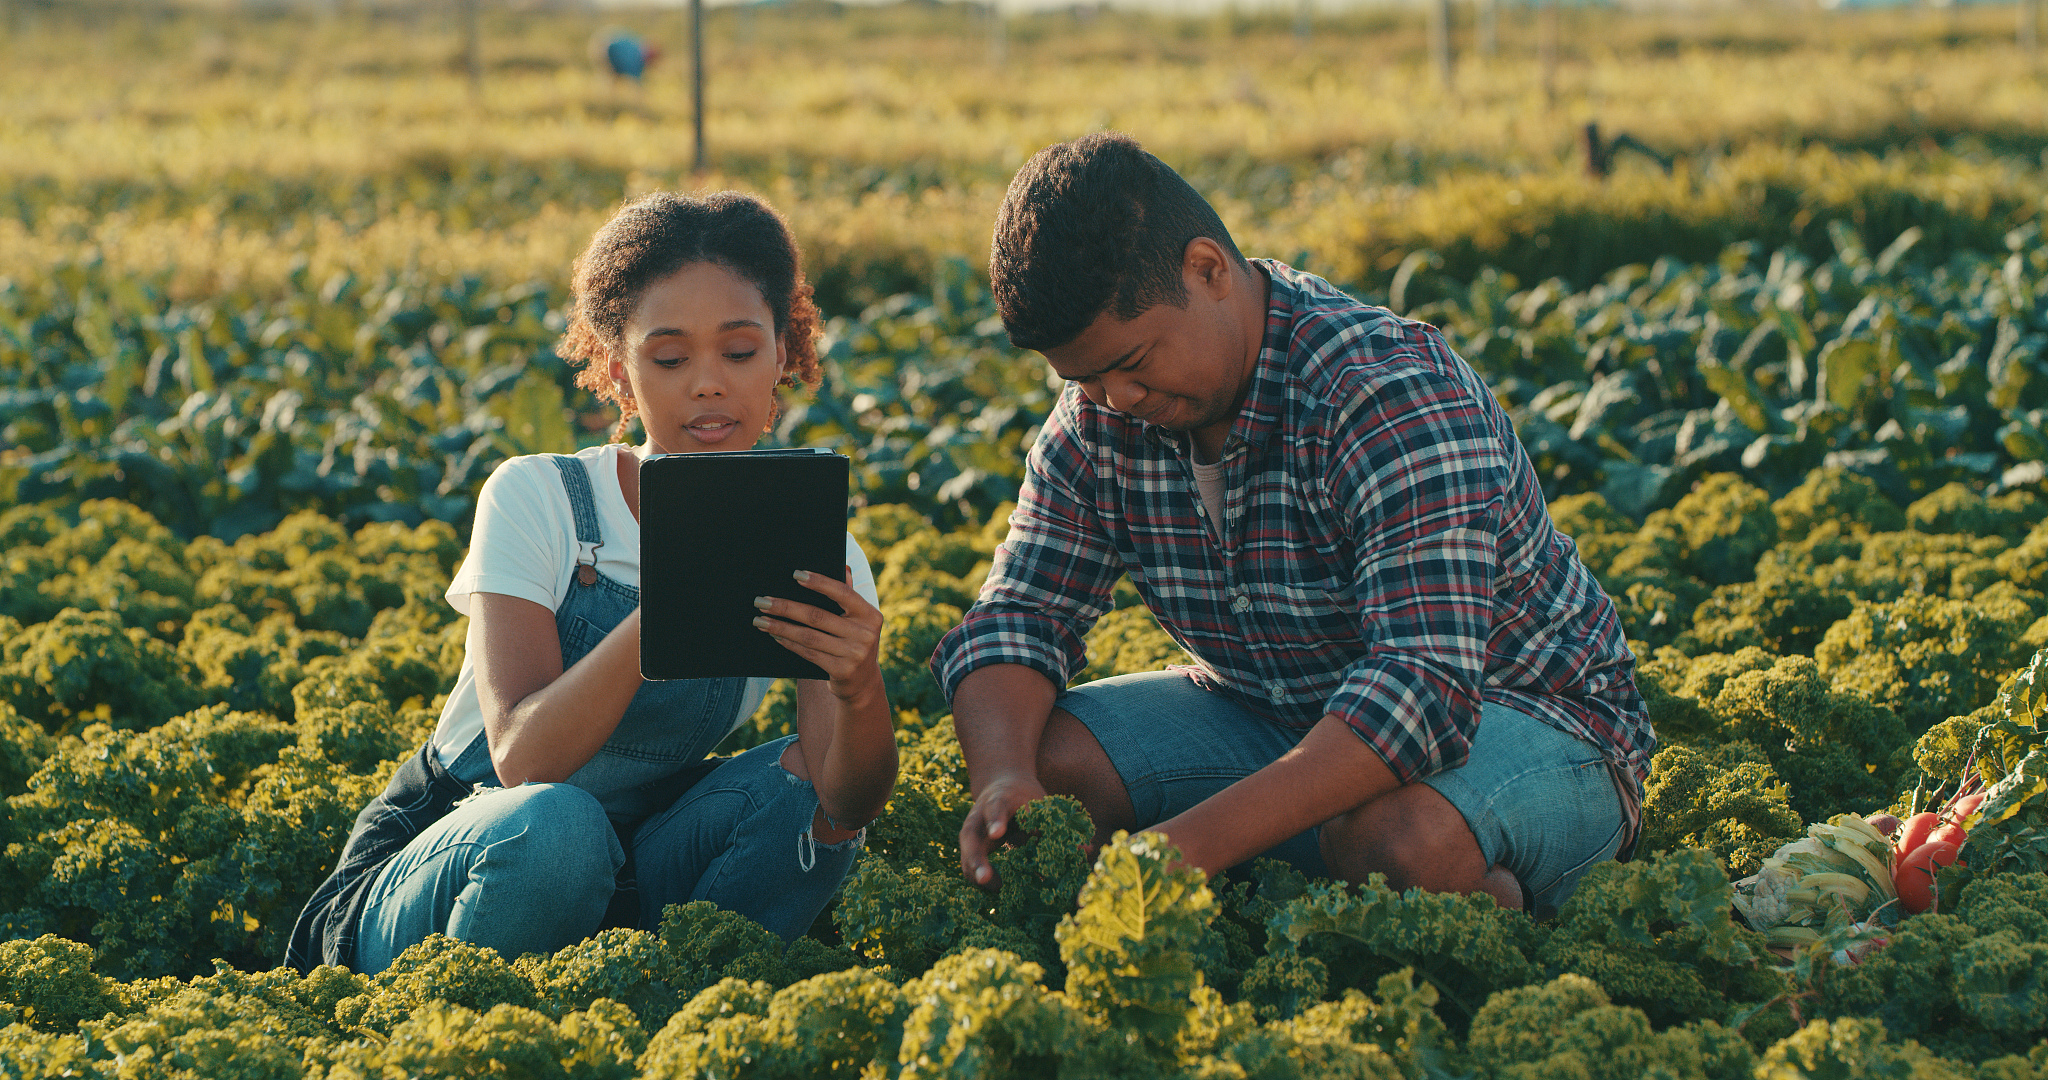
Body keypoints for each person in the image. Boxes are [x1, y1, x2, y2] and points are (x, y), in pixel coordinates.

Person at [931, 133, 1655, 919]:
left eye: (1133, 363)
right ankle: (1328, 881)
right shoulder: (1099, 418)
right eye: (1084, 377)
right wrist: (1004, 779)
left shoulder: (1382, 393)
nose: (1114, 400)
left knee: (1396, 844)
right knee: (1048, 763)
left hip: (1528, 722)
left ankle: (1474, 907)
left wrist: (1181, 852)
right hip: (1274, 714)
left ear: (1207, 269)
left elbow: (1423, 689)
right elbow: (1020, 614)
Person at [288, 191, 896, 974]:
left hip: (636, 868)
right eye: (670, 358)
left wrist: (855, 685)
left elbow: (845, 804)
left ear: (783, 353)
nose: (707, 384)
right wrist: (674, 598)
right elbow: (520, 760)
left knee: (801, 805)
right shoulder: (540, 498)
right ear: (617, 369)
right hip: (462, 863)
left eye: (740, 352)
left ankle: (674, 1012)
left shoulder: (814, 543)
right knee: (558, 828)